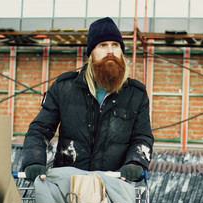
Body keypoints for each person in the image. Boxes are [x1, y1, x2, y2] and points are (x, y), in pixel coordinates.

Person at [21, 17, 154, 183]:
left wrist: (135, 161)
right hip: (67, 187)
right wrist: (34, 160)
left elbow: (142, 138)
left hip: (113, 186)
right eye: (102, 45)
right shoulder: (65, 88)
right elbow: (39, 130)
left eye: (115, 45)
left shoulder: (136, 94)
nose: (110, 51)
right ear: (91, 53)